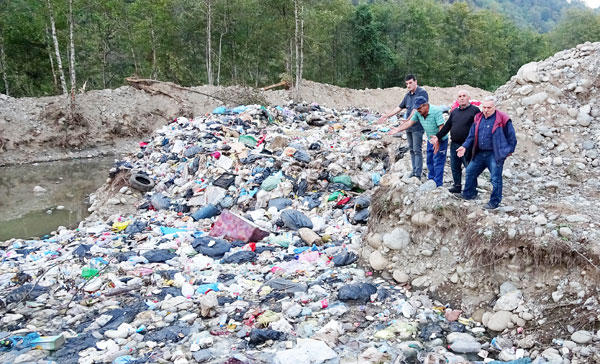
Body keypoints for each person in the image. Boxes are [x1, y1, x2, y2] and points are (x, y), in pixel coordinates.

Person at [456, 96, 517, 209]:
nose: (486, 110)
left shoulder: (503, 118)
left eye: (489, 107)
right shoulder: (478, 118)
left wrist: (508, 151)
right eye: (484, 107)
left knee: (495, 178)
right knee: (470, 172)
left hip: (495, 154)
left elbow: (512, 137)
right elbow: (471, 136)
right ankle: (469, 194)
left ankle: (494, 202)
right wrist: (464, 147)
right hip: (480, 152)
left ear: (494, 107)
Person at [388, 96, 448, 187]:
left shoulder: (436, 111)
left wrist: (438, 140)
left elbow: (441, 127)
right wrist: (398, 129)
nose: (418, 110)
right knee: (430, 160)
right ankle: (431, 180)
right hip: (430, 139)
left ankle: (438, 184)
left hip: (441, 139)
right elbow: (409, 123)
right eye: (416, 108)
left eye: (419, 108)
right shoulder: (418, 113)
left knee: (438, 161)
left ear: (426, 105)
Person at [378, 74, 428, 179]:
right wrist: (387, 115)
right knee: (411, 149)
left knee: (417, 149)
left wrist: (408, 119)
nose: (408, 85)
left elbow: (416, 109)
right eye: (407, 84)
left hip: (417, 126)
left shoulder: (422, 93)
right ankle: (414, 171)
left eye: (410, 83)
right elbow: (399, 107)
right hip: (408, 126)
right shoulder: (408, 95)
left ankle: (418, 173)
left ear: (416, 82)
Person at [429, 90, 480, 193]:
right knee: (455, 167)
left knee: (469, 168)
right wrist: (438, 137)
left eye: (464, 96)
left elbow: (479, 127)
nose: (461, 98)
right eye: (459, 96)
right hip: (454, 144)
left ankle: (472, 190)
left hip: (468, 145)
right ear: (457, 99)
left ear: (468, 97)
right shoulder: (454, 112)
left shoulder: (475, 111)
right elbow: (447, 126)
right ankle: (457, 186)